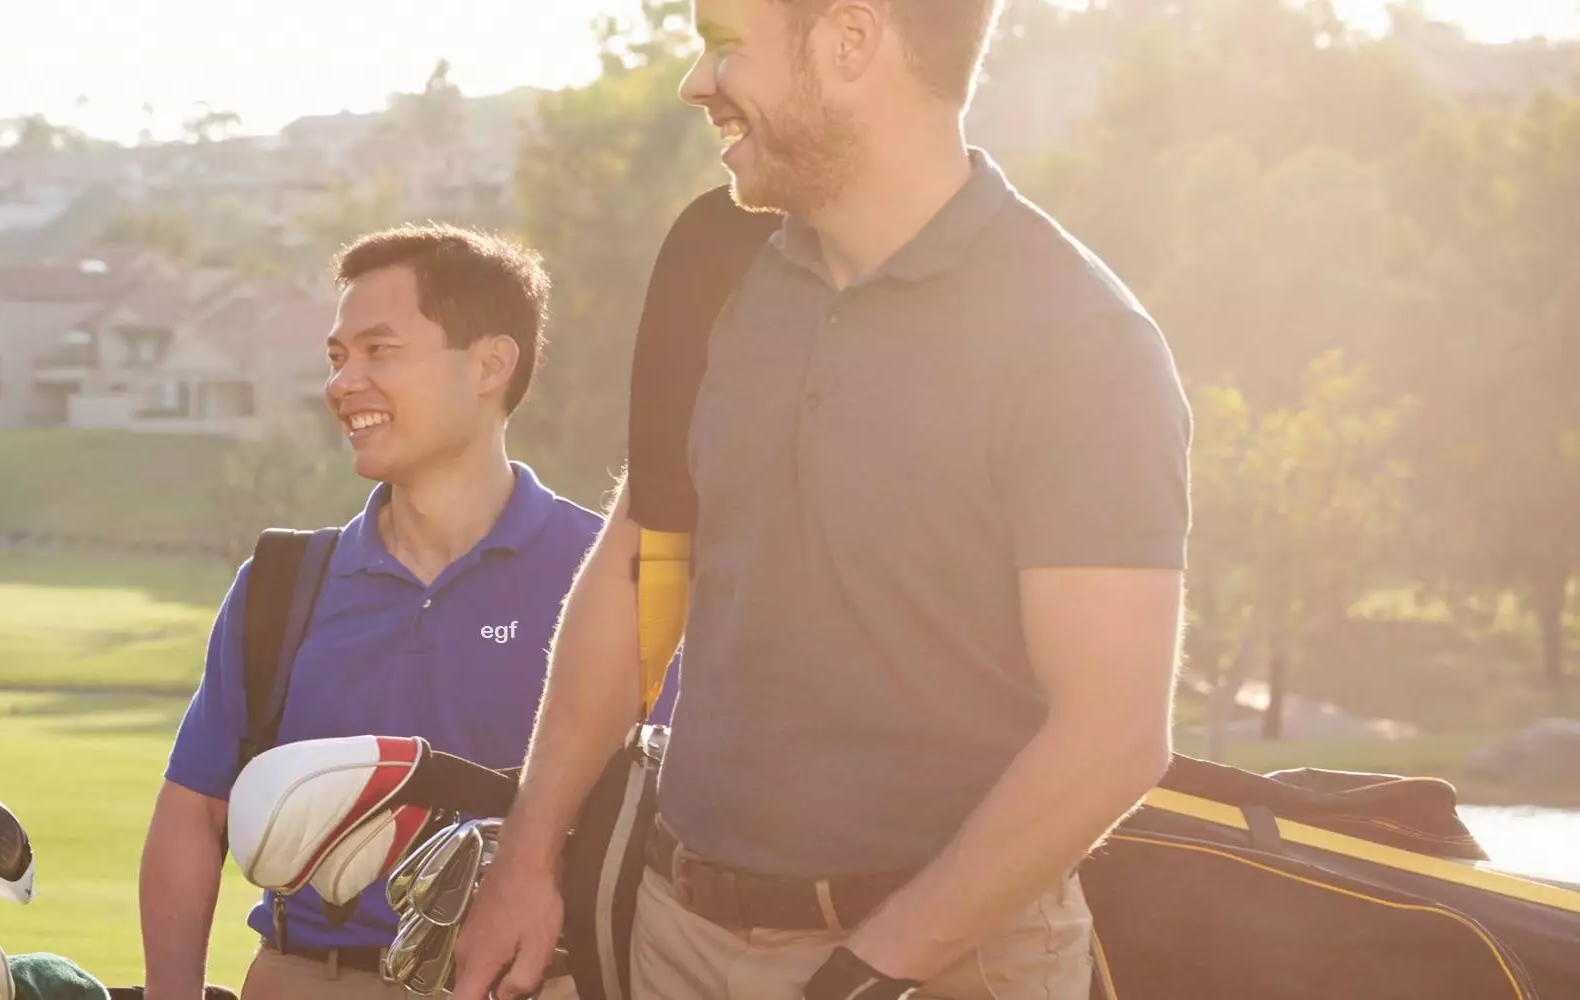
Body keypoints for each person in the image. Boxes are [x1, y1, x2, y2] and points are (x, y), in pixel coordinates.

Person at [449, 0, 1192, 996]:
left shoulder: (1081, 338)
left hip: (953, 962)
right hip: (680, 937)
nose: (696, 84)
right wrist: (529, 855)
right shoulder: (712, 259)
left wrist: (872, 971)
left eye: (724, 48)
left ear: (850, 42)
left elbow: (1111, 733)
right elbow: (641, 562)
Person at [139, 225, 608, 1000]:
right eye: (336, 357)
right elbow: (194, 812)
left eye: (379, 351)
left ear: (491, 363)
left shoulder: (602, 577)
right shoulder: (282, 583)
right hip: (303, 980)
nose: (343, 382)